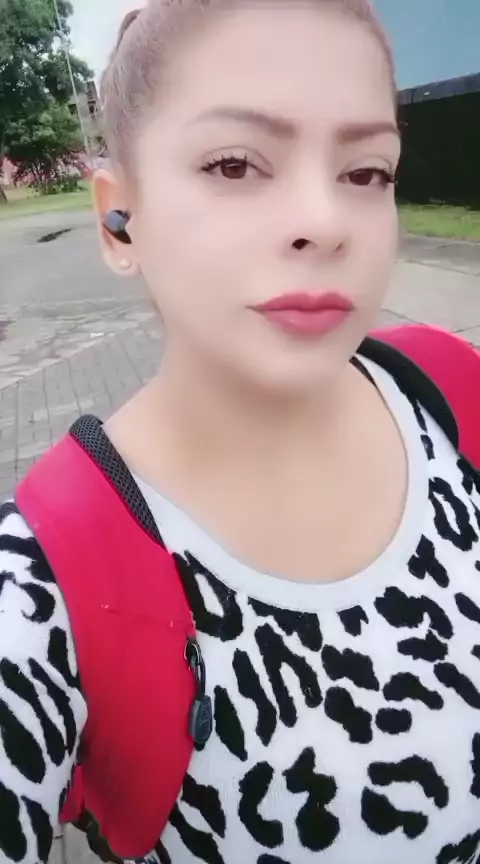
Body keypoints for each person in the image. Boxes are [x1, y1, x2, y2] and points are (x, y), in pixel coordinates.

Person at [1, 1, 480, 862]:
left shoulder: (454, 390)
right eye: (234, 163)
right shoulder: (44, 586)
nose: (324, 220)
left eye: (367, 172)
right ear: (119, 219)